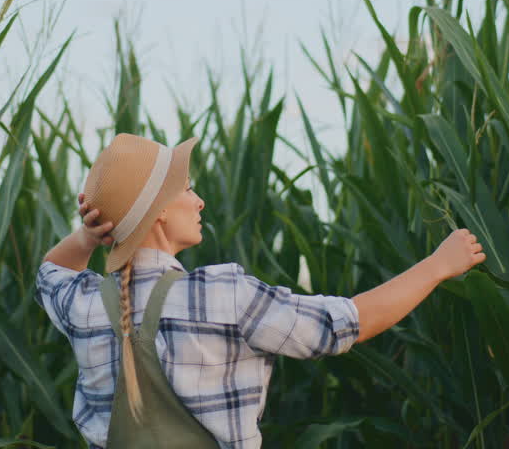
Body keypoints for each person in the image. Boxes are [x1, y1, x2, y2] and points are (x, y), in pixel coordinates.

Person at [34, 133, 486, 448]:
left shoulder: (86, 305)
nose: (199, 200)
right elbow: (342, 325)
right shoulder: (223, 295)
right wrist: (437, 266)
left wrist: (89, 238)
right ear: (157, 213)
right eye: (187, 189)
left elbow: (49, 274)